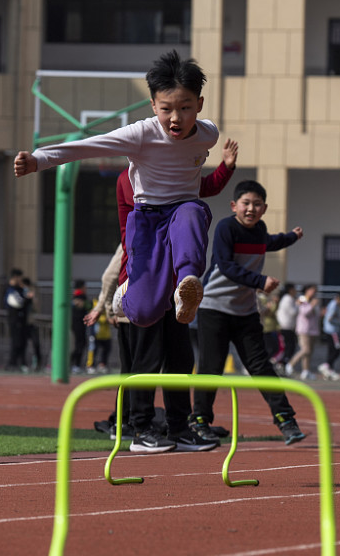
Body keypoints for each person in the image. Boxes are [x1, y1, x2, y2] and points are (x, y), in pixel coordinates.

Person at [14, 50, 218, 330]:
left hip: (182, 211)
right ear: (153, 105)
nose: (175, 118)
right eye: (166, 108)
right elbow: (90, 145)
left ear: (199, 105)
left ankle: (187, 281)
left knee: (193, 212)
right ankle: (125, 296)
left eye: (185, 108)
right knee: (145, 314)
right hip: (147, 218)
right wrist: (39, 159)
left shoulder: (208, 134)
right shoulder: (141, 134)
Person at [85, 139, 238, 446]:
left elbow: (200, 188)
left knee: (181, 358)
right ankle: (140, 428)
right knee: (146, 360)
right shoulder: (132, 179)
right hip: (143, 281)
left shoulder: (170, 176)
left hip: (173, 288)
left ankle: (178, 428)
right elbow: (175, 198)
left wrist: (226, 168)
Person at [189, 180, 307, 445]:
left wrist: (292, 237)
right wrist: (260, 281)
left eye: (257, 205)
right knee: (211, 367)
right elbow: (227, 266)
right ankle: (199, 421)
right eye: (246, 204)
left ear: (264, 209)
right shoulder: (226, 228)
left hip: (245, 312)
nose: (251, 209)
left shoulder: (260, 230)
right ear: (234, 206)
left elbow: (270, 242)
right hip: (214, 308)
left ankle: (286, 419)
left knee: (261, 366)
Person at [286, 285, 320, 380]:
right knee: (305, 350)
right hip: (303, 330)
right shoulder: (301, 300)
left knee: (309, 353)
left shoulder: (314, 301)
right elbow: (304, 313)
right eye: (312, 290)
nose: (313, 293)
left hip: (313, 330)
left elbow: (316, 315)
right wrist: (312, 305)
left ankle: (306, 371)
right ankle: (290, 364)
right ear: (307, 290)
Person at [4, 269, 29, 371]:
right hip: (15, 319)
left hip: (21, 319)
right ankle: (12, 363)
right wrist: (27, 298)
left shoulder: (19, 289)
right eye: (19, 278)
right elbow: (18, 302)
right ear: (15, 277)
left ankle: (21, 363)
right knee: (16, 342)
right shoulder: (11, 290)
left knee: (22, 342)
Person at [319, 291, 340, 380]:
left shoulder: (334, 305)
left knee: (332, 350)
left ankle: (329, 369)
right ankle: (327, 365)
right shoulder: (334, 305)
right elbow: (330, 319)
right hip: (332, 331)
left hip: (331, 331)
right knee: (337, 350)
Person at [22, 278, 44, 371]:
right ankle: (23, 363)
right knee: (22, 344)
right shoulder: (21, 295)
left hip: (32, 323)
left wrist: (32, 298)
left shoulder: (32, 296)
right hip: (23, 323)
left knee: (36, 343)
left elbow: (37, 308)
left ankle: (38, 363)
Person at [274, 284, 298, 368]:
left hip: (287, 326)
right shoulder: (288, 299)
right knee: (288, 347)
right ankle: (280, 363)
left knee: (290, 346)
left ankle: (282, 364)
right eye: (294, 289)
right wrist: (298, 305)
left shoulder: (287, 298)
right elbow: (292, 312)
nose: (296, 291)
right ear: (290, 290)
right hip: (285, 326)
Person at [70, 280, 89, 374]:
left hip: (77, 324)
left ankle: (74, 364)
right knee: (79, 344)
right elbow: (86, 306)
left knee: (80, 344)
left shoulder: (74, 296)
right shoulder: (80, 296)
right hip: (78, 324)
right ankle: (75, 364)